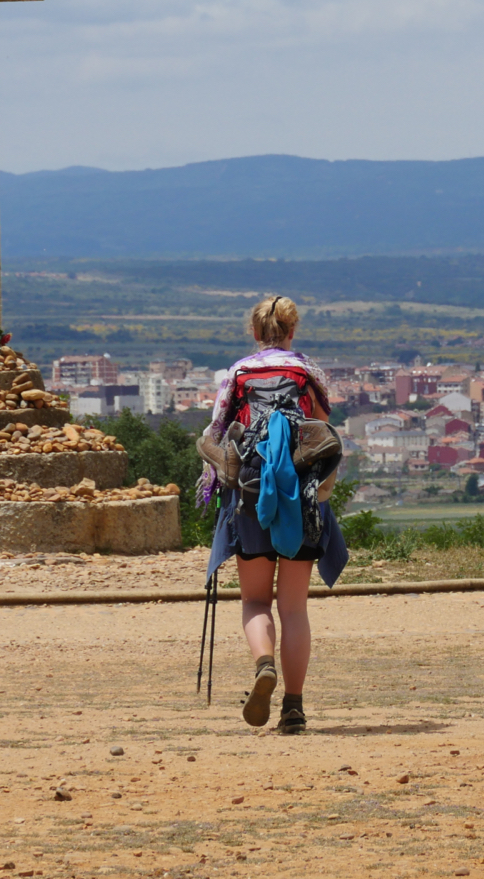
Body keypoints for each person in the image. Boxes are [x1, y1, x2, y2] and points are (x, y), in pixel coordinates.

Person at [198, 295, 336, 734]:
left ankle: (264, 665)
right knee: (293, 607)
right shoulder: (308, 372)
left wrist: (214, 488)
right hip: (300, 494)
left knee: (255, 600)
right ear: (291, 331)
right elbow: (323, 430)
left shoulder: (237, 374)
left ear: (255, 333)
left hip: (250, 495)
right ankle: (293, 707)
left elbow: (215, 433)